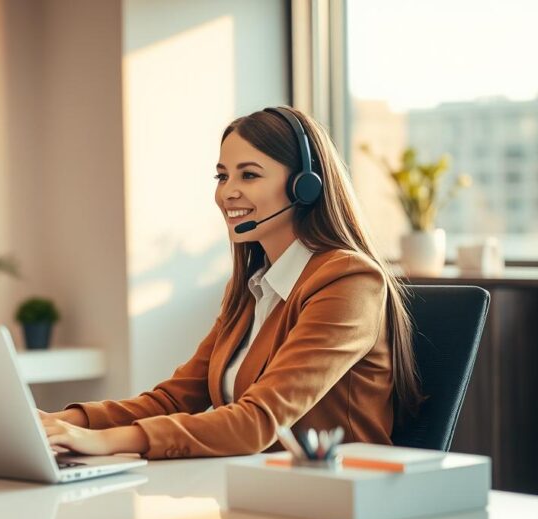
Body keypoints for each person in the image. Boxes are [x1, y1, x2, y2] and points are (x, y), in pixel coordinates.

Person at [40, 106, 421, 459]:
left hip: (337, 499)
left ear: (305, 186)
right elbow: (175, 398)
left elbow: (258, 421)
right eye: (222, 176)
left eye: (249, 175)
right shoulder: (253, 289)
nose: (227, 192)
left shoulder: (349, 282)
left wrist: (105, 442)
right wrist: (67, 423)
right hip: (257, 488)